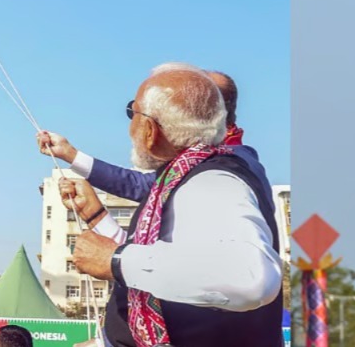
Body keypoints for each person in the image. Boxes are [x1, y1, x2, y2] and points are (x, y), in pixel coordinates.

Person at [37, 64, 283, 347]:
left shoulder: (215, 178)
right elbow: (164, 256)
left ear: (151, 129)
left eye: (133, 111)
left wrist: (115, 261)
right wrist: (96, 214)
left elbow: (250, 278)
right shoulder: (183, 175)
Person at [53, 68, 254, 203]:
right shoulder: (197, 162)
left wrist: (114, 259)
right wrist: (69, 154)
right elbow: (142, 185)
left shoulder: (225, 168)